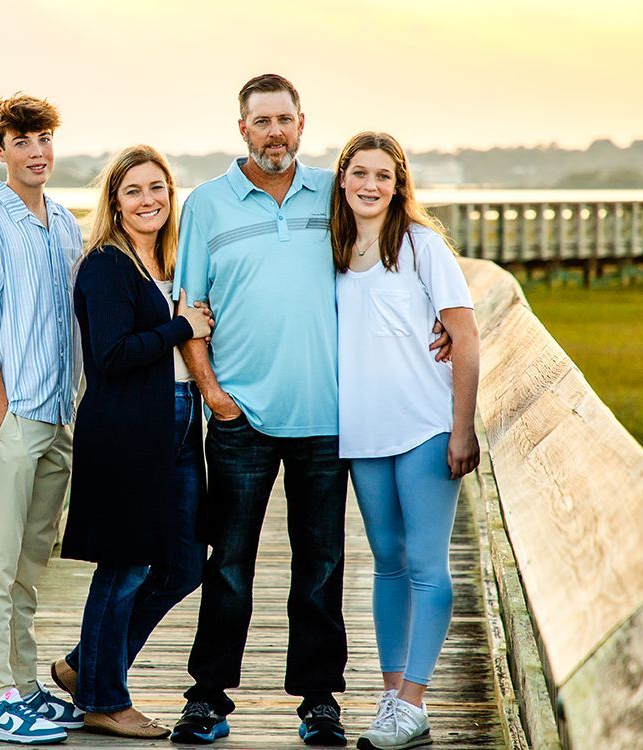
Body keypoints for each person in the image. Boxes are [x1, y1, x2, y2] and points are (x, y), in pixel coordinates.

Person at [170, 74, 453, 747]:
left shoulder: (334, 190)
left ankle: (319, 701)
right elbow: (190, 310)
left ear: (303, 123)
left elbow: (395, 248)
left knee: (322, 564)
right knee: (229, 561)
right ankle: (208, 696)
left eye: (285, 120)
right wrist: (213, 395)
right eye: (261, 121)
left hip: (330, 418)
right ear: (242, 127)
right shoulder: (207, 204)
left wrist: (442, 319)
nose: (274, 132)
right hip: (241, 417)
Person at [54, 145, 213, 739]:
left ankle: (83, 666)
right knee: (123, 566)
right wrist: (179, 325)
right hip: (125, 429)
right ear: (115, 204)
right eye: (134, 191)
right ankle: (104, 698)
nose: (149, 201)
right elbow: (111, 356)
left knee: (183, 565)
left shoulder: (171, 261)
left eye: (158, 189)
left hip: (177, 423)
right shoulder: (106, 265)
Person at [331, 132, 480, 750]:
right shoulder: (333, 248)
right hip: (363, 433)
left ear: (399, 186)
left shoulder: (422, 247)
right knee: (386, 563)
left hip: (424, 426)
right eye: (360, 173)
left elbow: (465, 338)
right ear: (342, 180)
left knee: (425, 564)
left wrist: (462, 427)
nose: (371, 185)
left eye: (384, 177)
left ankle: (416, 699)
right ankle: (393, 698)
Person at [0, 94, 85, 745]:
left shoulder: (64, 222)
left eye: (44, 140)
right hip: (13, 420)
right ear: (1, 150)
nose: (36, 152)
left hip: (58, 414)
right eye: (22, 141)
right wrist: (4, 419)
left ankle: (27, 684)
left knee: (29, 564)